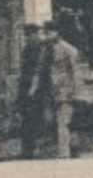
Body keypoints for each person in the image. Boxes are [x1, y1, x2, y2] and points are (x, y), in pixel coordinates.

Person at [29, 20, 80, 159]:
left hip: (64, 91)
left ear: (58, 33)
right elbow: (39, 71)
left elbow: (75, 72)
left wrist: (75, 91)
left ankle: (65, 153)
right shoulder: (45, 50)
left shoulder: (69, 50)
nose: (47, 35)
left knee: (63, 122)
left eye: (50, 32)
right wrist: (33, 88)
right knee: (50, 121)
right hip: (48, 91)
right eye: (46, 33)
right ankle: (67, 148)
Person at [13, 24, 46, 160]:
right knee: (29, 120)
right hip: (28, 88)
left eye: (29, 35)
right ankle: (29, 150)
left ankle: (29, 152)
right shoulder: (35, 47)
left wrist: (31, 89)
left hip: (31, 89)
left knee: (29, 121)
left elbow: (36, 71)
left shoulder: (34, 48)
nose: (28, 37)